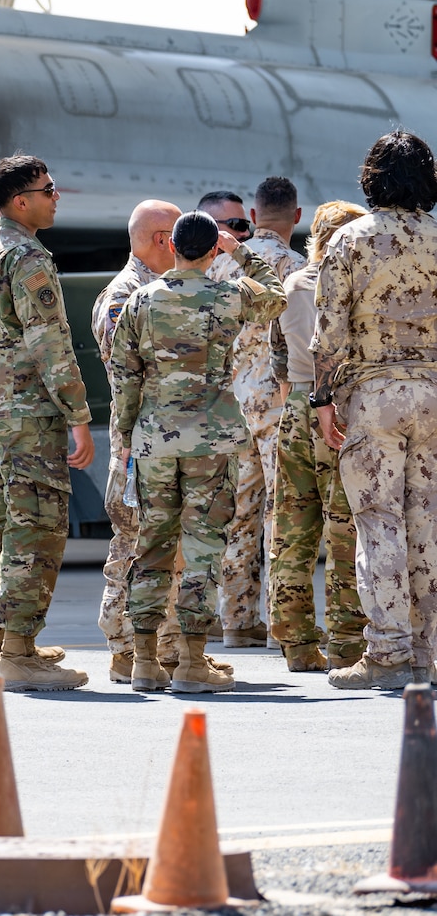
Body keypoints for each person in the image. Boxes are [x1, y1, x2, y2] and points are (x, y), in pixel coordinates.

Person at [110, 212, 286, 692]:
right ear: (211, 251)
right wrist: (240, 251)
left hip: (154, 439)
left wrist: (126, 435)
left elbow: (124, 376)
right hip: (211, 438)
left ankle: (145, 661)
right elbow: (276, 295)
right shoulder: (230, 296)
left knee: (152, 544)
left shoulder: (140, 301)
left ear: (172, 247)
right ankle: (191, 662)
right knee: (203, 545)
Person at [0, 154, 94, 690]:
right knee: (36, 530)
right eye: (48, 188)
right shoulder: (27, 256)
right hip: (28, 413)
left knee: (5, 529)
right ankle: (18, 652)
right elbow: (50, 342)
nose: (56, 196)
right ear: (21, 201)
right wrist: (78, 415)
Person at [315, 131, 437, 691]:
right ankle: (425, 653)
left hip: (375, 395)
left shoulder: (351, 240)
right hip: (433, 394)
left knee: (379, 522)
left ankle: (387, 650)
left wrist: (322, 400)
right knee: (427, 524)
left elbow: (329, 333)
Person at [203, 180, 307, 647]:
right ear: (296, 217)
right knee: (281, 513)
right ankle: (280, 625)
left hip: (230, 405)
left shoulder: (220, 264)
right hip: (278, 405)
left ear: (253, 213)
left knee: (237, 513)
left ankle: (237, 620)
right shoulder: (301, 268)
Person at [268, 199, 368, 672]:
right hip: (340, 410)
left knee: (293, 528)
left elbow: (278, 359)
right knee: (345, 528)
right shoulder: (351, 286)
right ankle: (349, 642)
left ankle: (296, 641)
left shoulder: (289, 285)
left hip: (296, 410)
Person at [91, 200, 185, 681]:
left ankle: (164, 649)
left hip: (163, 444)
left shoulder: (162, 291)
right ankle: (125, 647)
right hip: (141, 447)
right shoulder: (125, 295)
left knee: (168, 550)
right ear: (162, 240)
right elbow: (134, 372)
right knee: (134, 545)